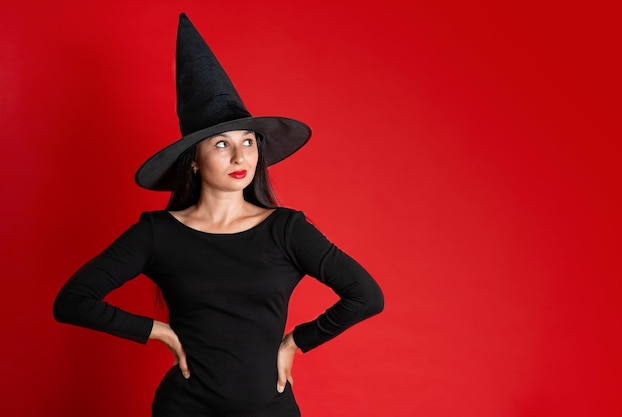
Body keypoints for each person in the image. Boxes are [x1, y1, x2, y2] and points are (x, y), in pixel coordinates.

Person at [53, 13, 383, 417]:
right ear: (193, 160)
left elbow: (366, 296)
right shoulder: (157, 233)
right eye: (222, 144)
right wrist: (159, 332)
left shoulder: (286, 229)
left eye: (248, 141)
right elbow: (72, 301)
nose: (241, 155)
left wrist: (296, 341)